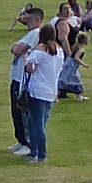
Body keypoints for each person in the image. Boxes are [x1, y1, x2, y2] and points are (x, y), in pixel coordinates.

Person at [6, 7, 44, 157]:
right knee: (15, 111)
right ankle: (21, 140)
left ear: (37, 20)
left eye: (29, 19)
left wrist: (17, 47)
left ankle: (27, 143)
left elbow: (17, 49)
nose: (26, 22)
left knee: (22, 111)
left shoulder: (35, 33)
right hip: (16, 76)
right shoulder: (30, 33)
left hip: (22, 78)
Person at [22, 30, 64, 165]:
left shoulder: (39, 50)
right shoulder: (59, 51)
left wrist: (26, 56)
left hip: (37, 91)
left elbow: (29, 68)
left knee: (37, 124)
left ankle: (41, 154)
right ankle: (34, 152)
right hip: (51, 91)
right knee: (38, 122)